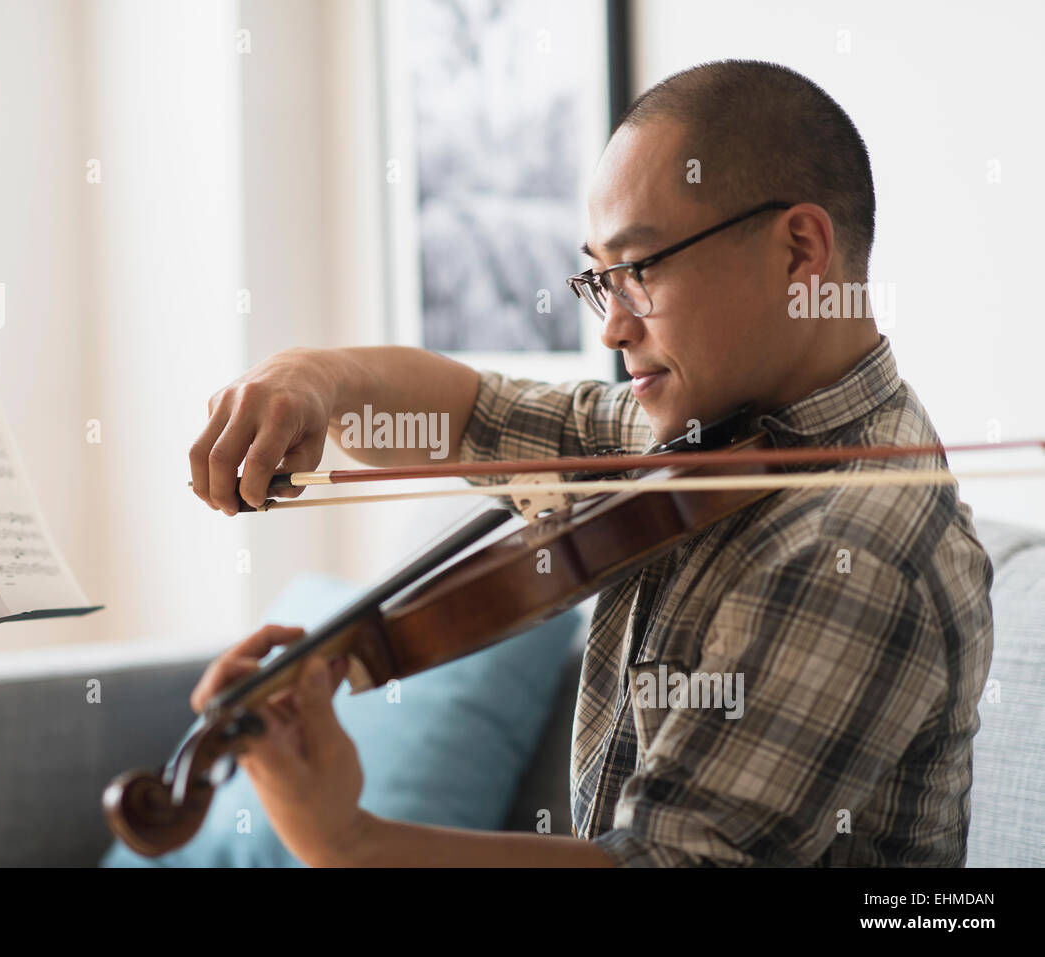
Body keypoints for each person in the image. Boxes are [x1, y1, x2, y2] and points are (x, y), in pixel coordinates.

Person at [186, 59, 993, 867]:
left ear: (799, 251)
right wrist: (312, 378)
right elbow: (469, 415)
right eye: (600, 279)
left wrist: (346, 840)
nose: (612, 328)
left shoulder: (855, 546)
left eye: (640, 269)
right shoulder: (709, 436)